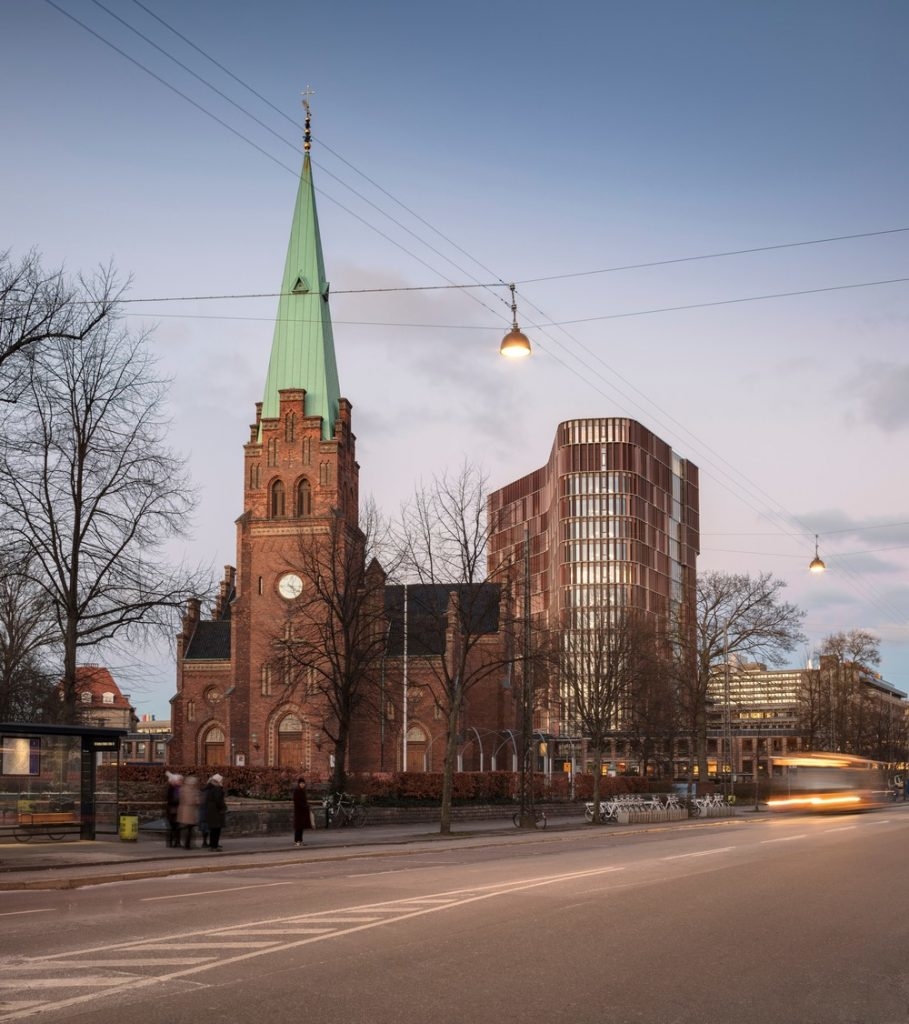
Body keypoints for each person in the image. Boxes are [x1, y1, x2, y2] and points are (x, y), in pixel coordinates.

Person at [203, 773, 227, 851]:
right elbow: (218, 801)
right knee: (216, 830)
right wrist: (223, 808)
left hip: (211, 811)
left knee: (213, 830)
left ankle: (212, 846)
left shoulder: (209, 788)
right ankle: (214, 846)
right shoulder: (217, 789)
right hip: (216, 812)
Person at [177, 775, 200, 849]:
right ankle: (187, 844)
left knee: (190, 829)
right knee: (187, 829)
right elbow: (189, 801)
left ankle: (189, 844)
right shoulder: (185, 790)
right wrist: (196, 800)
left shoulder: (191, 790)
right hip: (187, 811)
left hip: (190, 812)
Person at [292, 777, 313, 846]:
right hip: (299, 812)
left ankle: (300, 840)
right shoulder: (297, 791)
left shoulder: (302, 791)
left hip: (302, 812)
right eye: (301, 783)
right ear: (299, 784)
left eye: (303, 783)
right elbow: (297, 802)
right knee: (298, 827)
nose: (302, 785)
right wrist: (305, 806)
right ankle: (297, 841)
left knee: (301, 827)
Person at [164, 772, 182, 848]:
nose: (180, 782)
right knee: (173, 827)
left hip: (175, 810)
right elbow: (170, 800)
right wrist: (179, 801)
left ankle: (176, 842)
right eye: (179, 780)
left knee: (176, 827)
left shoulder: (177, 789)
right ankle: (171, 842)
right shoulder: (172, 789)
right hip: (172, 811)